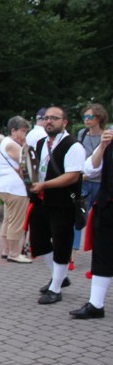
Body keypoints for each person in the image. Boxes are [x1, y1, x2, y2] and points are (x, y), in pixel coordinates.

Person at [29, 107, 85, 305]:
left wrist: (45, 184)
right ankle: (59, 276)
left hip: (62, 201)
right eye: (46, 118)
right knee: (38, 240)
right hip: (41, 199)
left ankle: (56, 288)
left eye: (54, 118)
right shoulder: (41, 143)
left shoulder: (73, 145)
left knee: (61, 242)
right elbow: (36, 169)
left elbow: (72, 176)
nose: (49, 121)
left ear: (65, 122)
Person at [70, 125, 113, 319]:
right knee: (102, 255)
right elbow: (90, 169)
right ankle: (96, 304)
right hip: (107, 207)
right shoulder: (109, 141)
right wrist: (103, 146)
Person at [71, 103, 108, 261]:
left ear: (98, 118)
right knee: (78, 215)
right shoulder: (82, 134)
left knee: (100, 218)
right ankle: (71, 253)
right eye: (84, 117)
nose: (86, 120)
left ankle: (99, 253)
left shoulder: (107, 135)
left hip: (101, 182)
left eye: (89, 116)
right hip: (84, 181)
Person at [0, 117, 32, 263]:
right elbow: (27, 160)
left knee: (9, 219)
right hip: (15, 189)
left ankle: (6, 250)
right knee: (16, 221)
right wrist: (25, 145)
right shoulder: (11, 144)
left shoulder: (5, 142)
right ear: (13, 131)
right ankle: (14, 253)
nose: (24, 134)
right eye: (22, 131)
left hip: (6, 187)